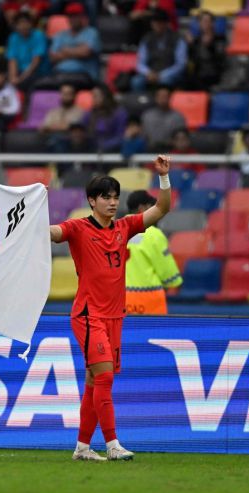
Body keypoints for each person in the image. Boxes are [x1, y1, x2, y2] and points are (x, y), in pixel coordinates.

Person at [49, 155, 172, 461]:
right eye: (106, 197)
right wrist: (33, 221)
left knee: (94, 380)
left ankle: (82, 448)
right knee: (104, 378)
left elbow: (162, 208)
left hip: (116, 316)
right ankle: (112, 444)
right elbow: (54, 233)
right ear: (92, 201)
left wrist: (164, 178)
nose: (113, 203)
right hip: (89, 316)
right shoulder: (78, 228)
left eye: (116, 197)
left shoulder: (125, 227)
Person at [124, 190, 181, 315]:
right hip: (149, 298)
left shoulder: (115, 228)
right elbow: (168, 272)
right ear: (142, 208)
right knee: (153, 332)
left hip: (119, 299)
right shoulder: (153, 234)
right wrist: (174, 282)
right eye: (152, 207)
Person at [131, 8, 187, 92]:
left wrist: (162, 75)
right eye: (155, 22)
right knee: (136, 81)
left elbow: (180, 64)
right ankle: (141, 102)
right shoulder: (146, 39)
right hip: (151, 73)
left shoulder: (178, 39)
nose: (157, 25)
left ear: (166, 23)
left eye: (160, 22)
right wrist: (148, 73)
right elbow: (140, 63)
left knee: (165, 81)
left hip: (169, 74)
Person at [49, 3, 101, 82]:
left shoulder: (91, 33)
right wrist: (78, 50)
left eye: (76, 16)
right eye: (71, 16)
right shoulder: (60, 35)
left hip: (84, 75)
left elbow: (85, 52)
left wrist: (65, 50)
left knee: (67, 88)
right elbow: (53, 57)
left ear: (82, 17)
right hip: (60, 74)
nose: (73, 19)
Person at [6, 12, 49, 90]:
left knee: (26, 83)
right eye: (20, 23)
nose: (23, 26)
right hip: (20, 72)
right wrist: (13, 78)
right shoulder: (13, 37)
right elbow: (12, 60)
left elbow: (35, 62)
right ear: (16, 26)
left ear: (31, 24)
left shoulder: (39, 36)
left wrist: (20, 79)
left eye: (26, 22)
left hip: (37, 72)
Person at [186, 10, 225, 90]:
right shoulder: (196, 41)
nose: (205, 23)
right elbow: (192, 59)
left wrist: (209, 46)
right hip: (198, 74)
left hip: (214, 74)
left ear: (212, 23)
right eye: (202, 21)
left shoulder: (220, 39)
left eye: (207, 21)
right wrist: (190, 45)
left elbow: (220, 59)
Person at [82, 84, 128, 153]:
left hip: (113, 151)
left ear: (105, 96)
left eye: (96, 96)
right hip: (91, 150)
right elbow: (82, 131)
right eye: (93, 96)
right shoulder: (89, 114)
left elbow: (121, 136)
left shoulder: (119, 113)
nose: (93, 99)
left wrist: (103, 146)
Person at [141, 85, 186, 152]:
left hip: (171, 152)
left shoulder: (178, 116)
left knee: (162, 160)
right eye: (160, 97)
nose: (163, 99)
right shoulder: (147, 116)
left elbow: (181, 139)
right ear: (156, 98)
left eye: (165, 97)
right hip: (150, 151)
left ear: (170, 98)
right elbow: (143, 137)